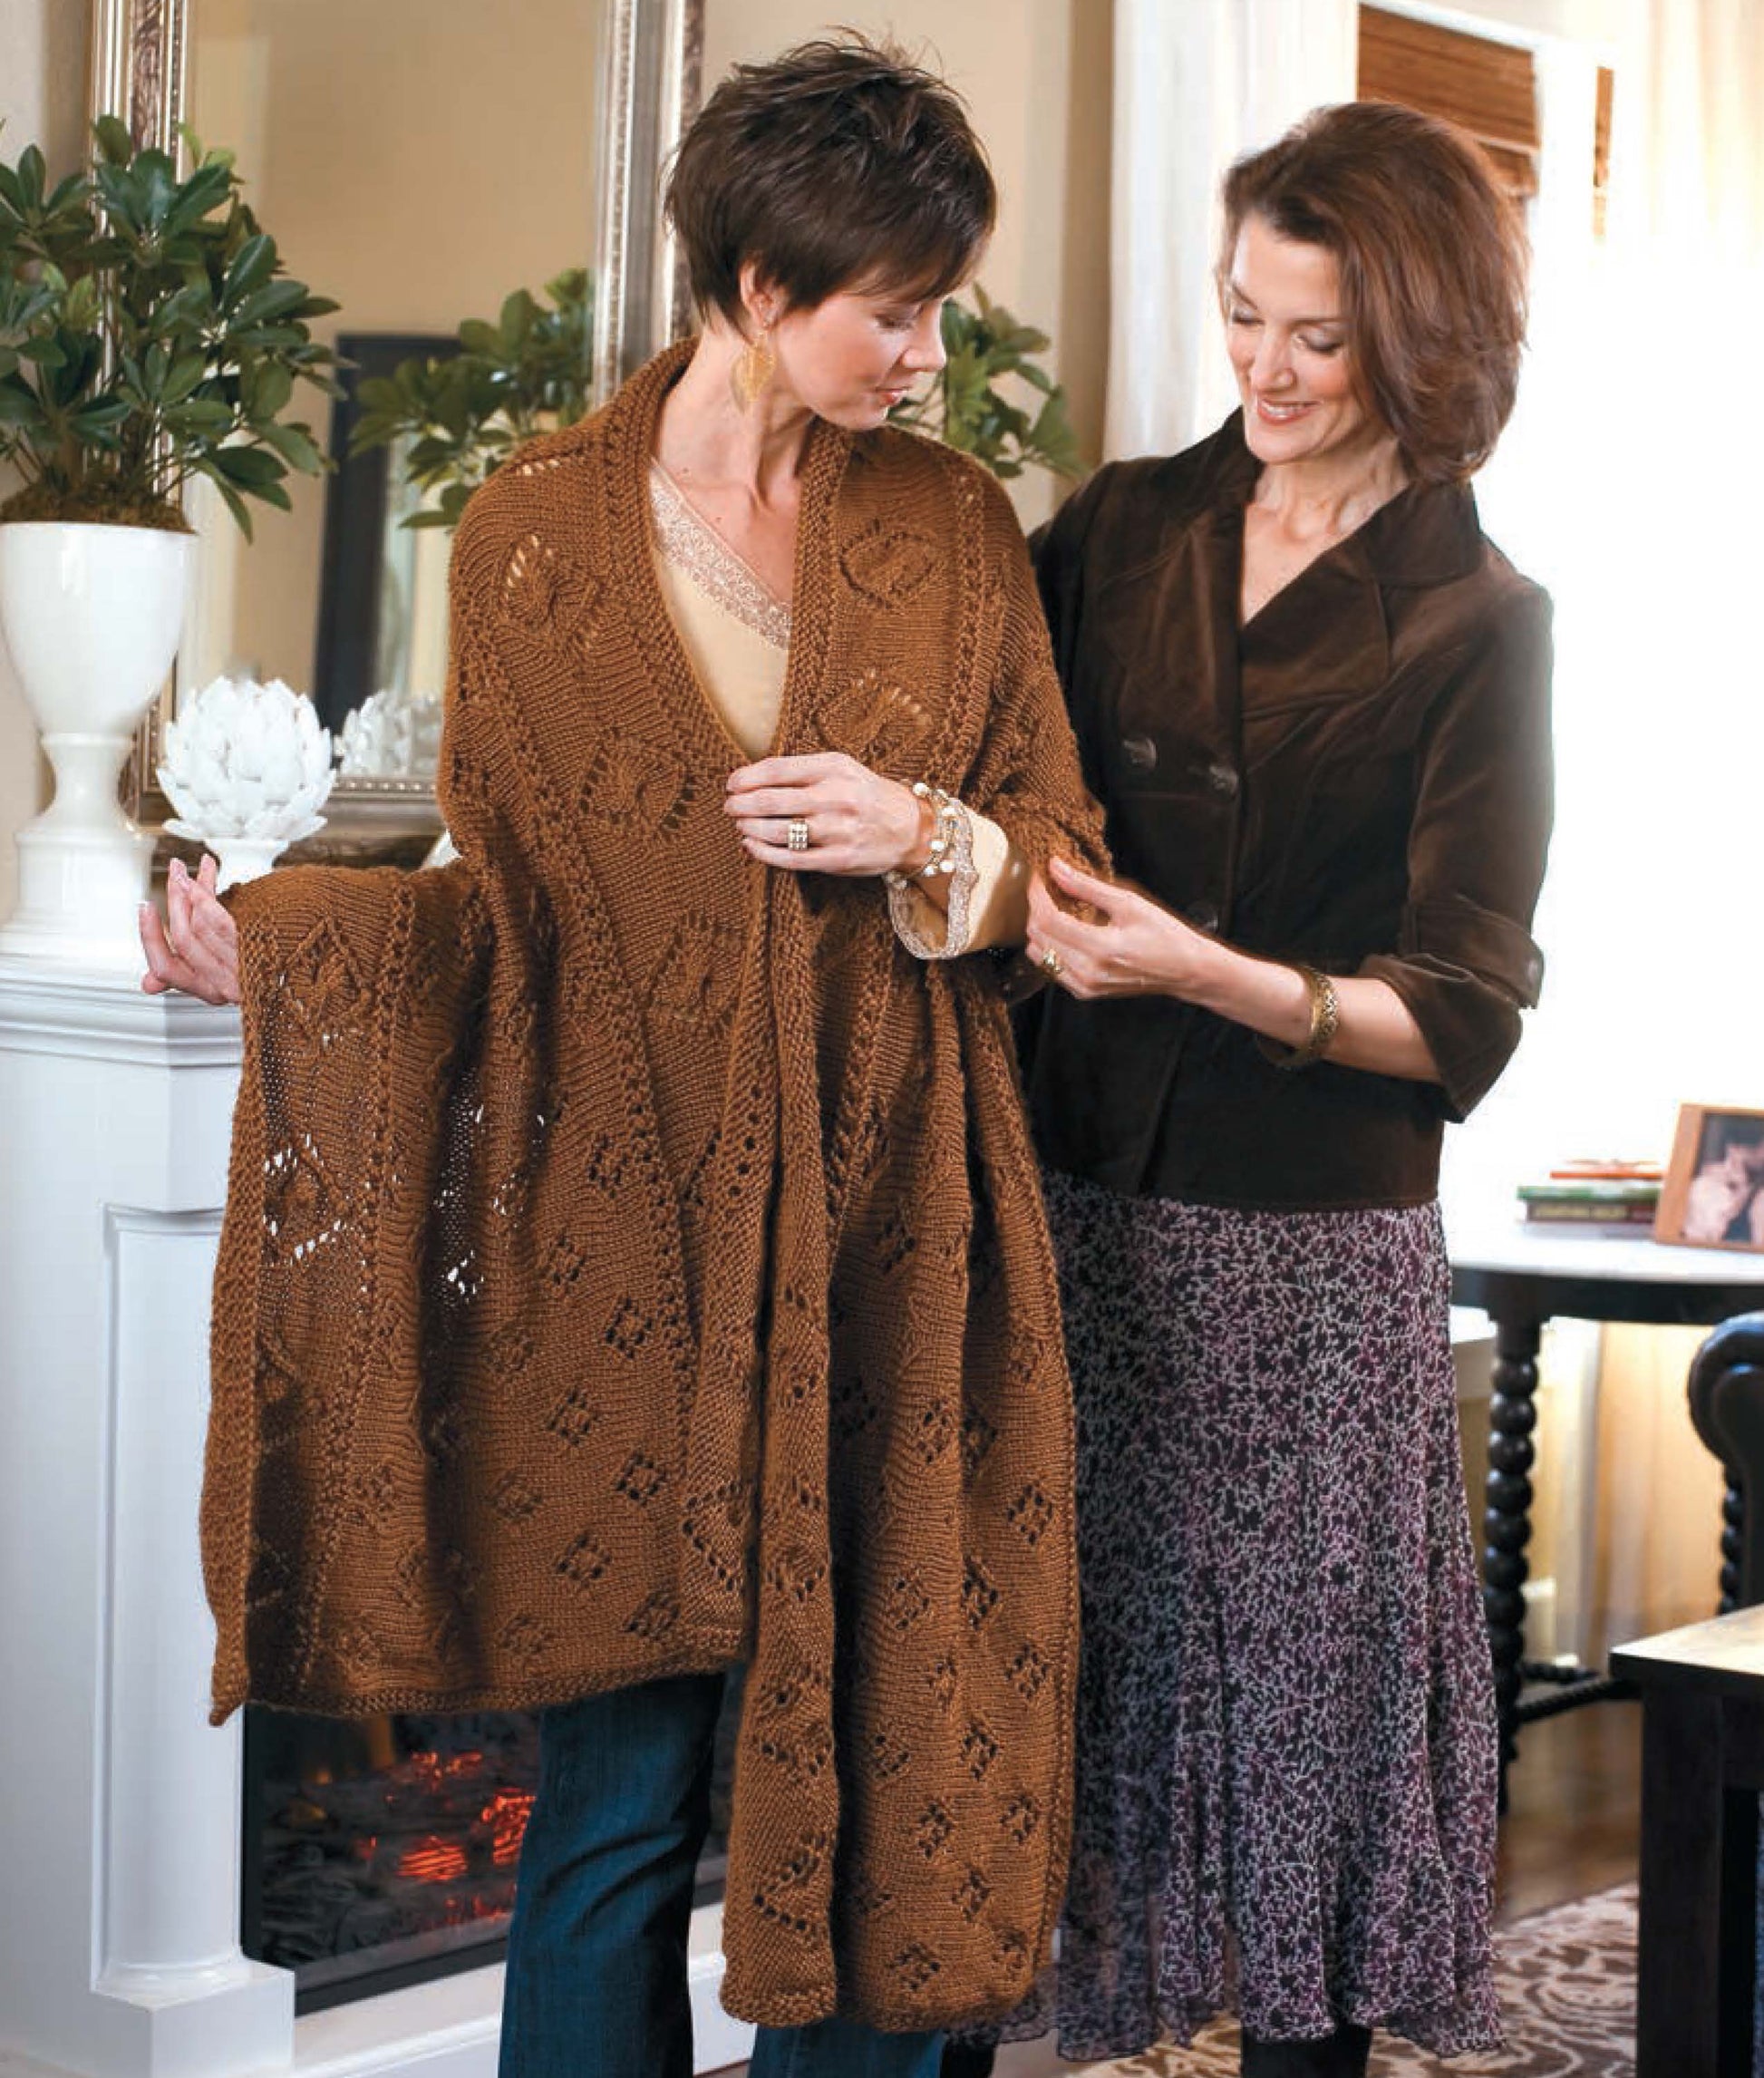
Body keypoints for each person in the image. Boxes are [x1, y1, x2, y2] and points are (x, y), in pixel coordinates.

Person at [140, 40, 1107, 2078]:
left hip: (897, 1247)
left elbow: (1071, 878)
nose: (931, 354)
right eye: (898, 311)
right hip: (624, 1273)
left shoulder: (950, 530)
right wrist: (284, 947)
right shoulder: (528, 546)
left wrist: (927, 839)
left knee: (881, 1791)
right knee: (609, 1818)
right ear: (760, 288)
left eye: (941, 308)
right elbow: (506, 917)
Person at [949, 102, 1554, 2078]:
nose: (1268, 374)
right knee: (1075, 1712)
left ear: (1421, 341)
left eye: (1318, 337)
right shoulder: (1120, 527)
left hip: (1308, 1257)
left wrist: (1207, 972)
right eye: (1242, 318)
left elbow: (1458, 1013)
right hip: (1076, 1201)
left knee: (1303, 1758)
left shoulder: (1482, 622)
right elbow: (958, 739)